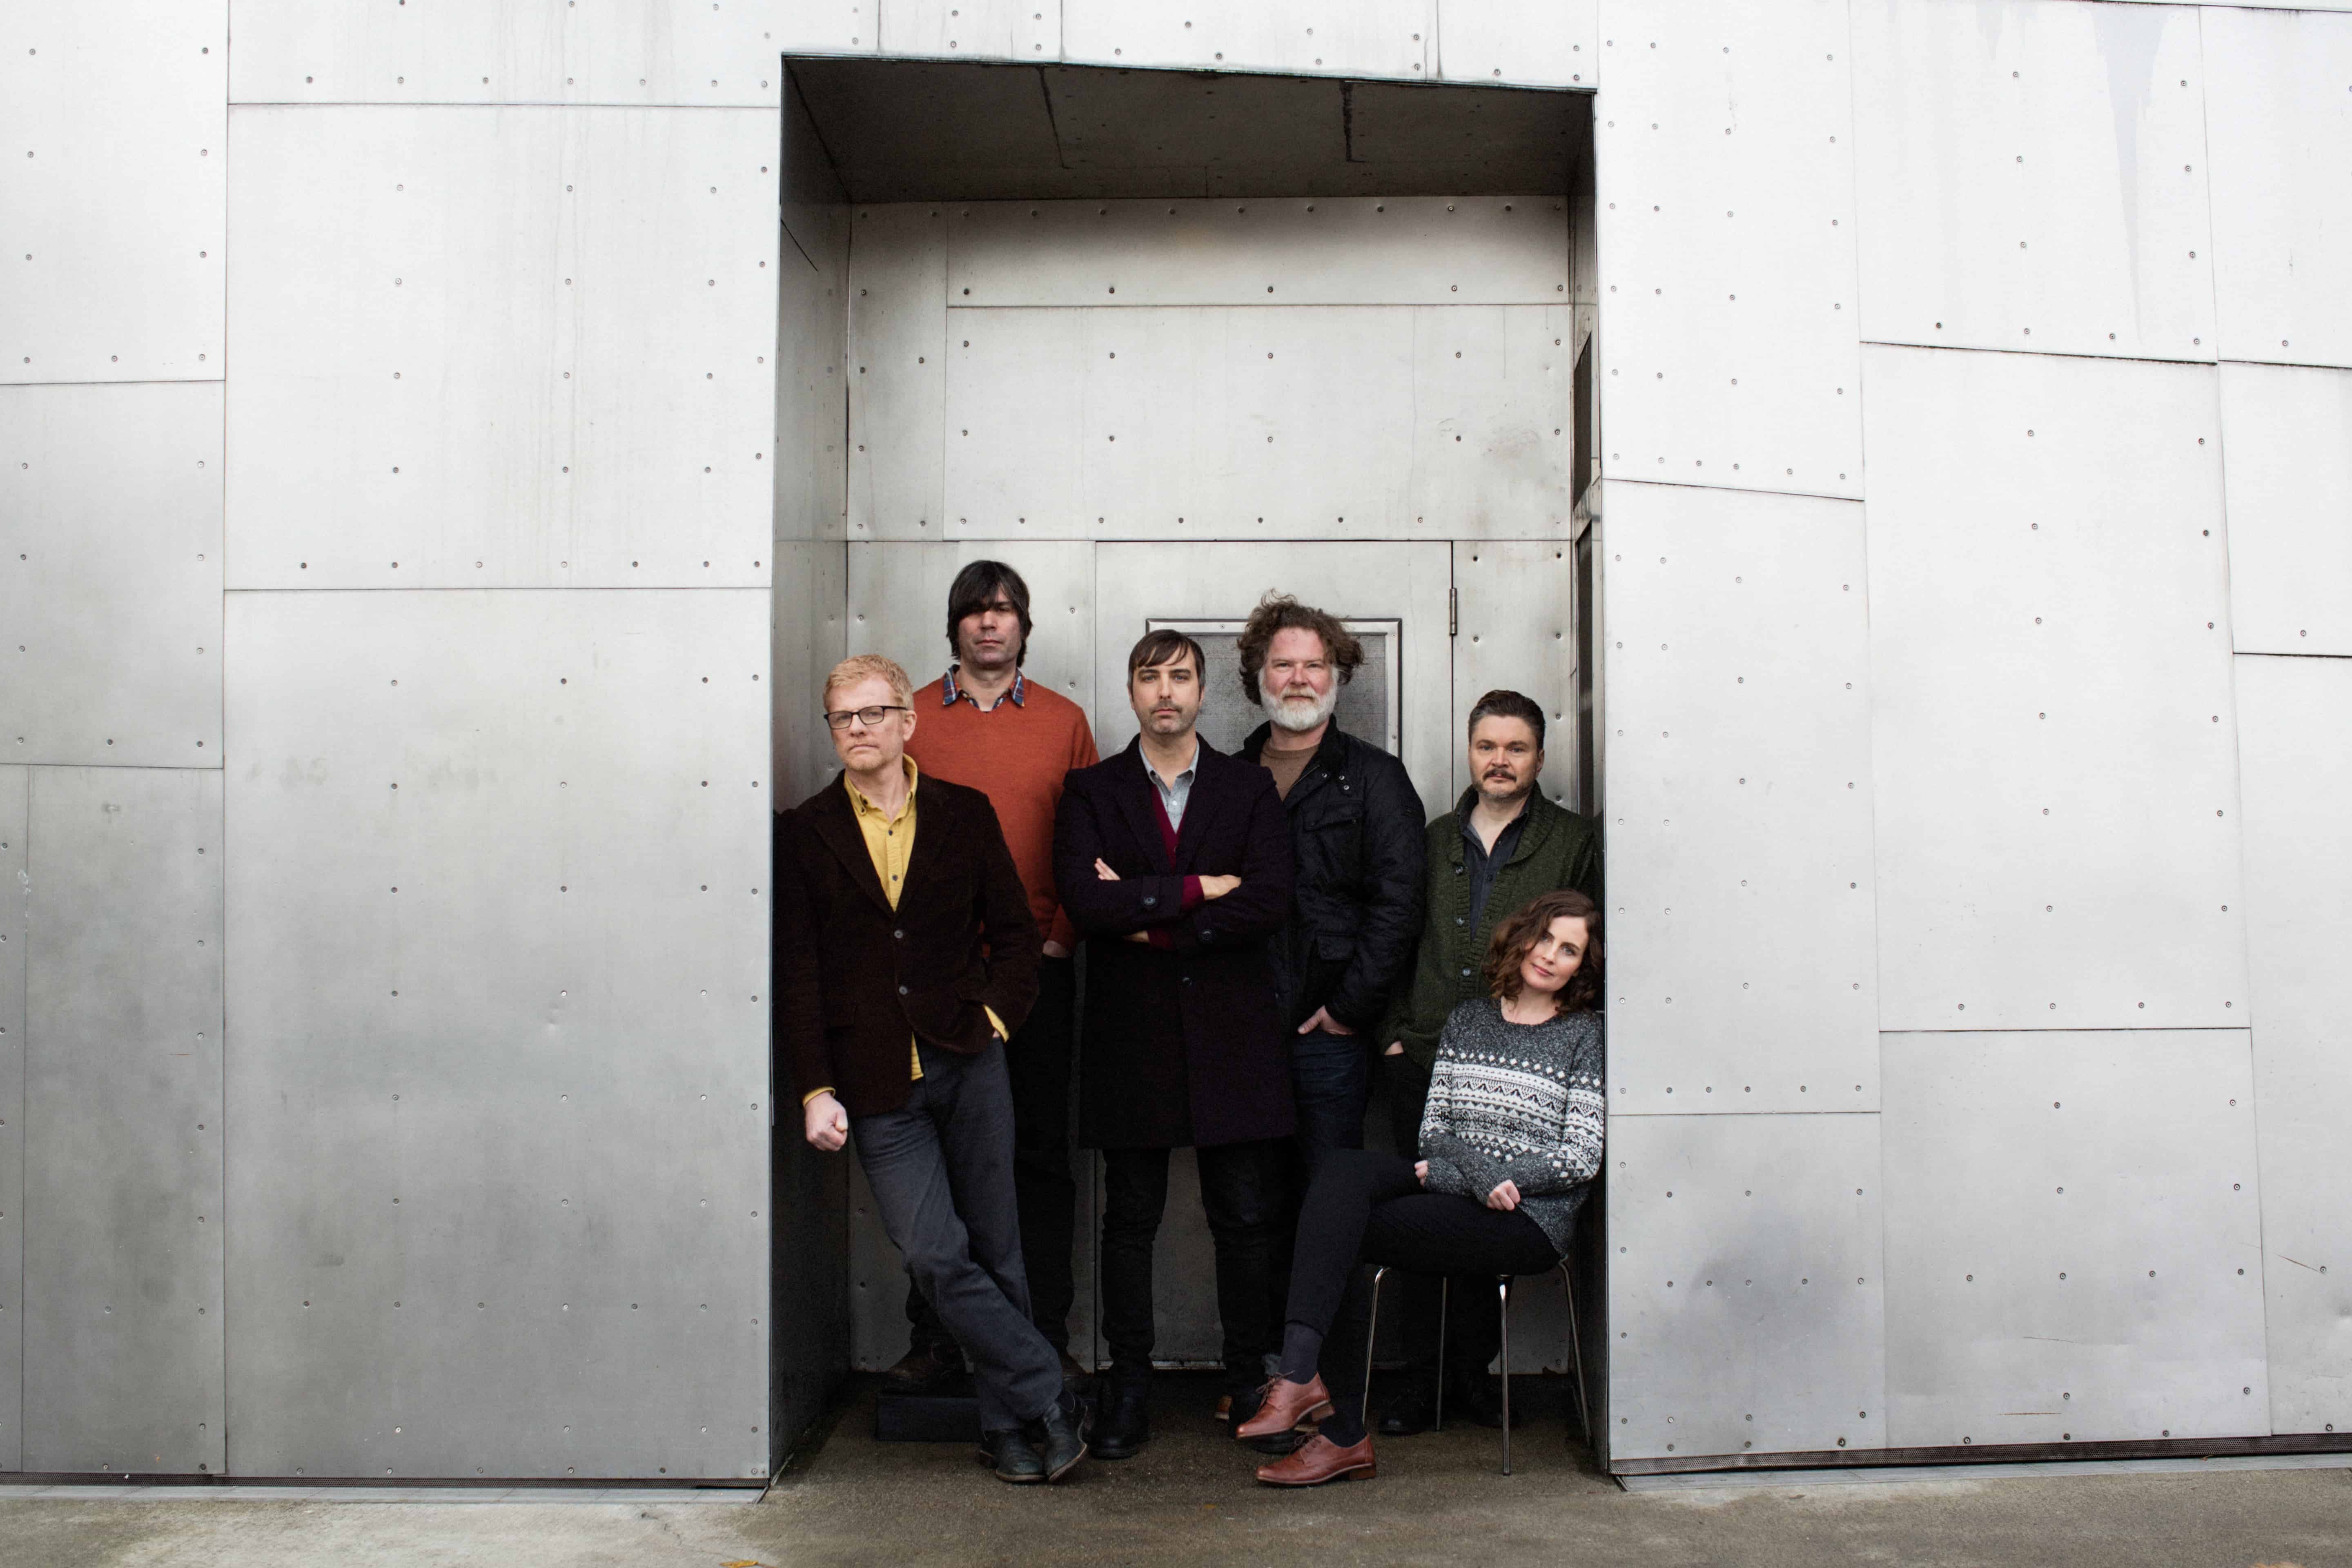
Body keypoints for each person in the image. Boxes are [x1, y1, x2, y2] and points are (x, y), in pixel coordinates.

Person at [777, 654, 1087, 1485]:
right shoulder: (806, 832)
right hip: (876, 1081)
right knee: (934, 1254)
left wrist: (995, 1018)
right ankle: (1048, 1392)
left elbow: (1016, 935)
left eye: (874, 713)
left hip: (968, 1059)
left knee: (999, 1250)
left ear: (908, 722)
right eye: (843, 717)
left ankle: (1009, 1430)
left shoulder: (963, 812)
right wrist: (815, 1088)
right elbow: (799, 973)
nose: (859, 729)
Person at [1240, 889, 1606, 1486]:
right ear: (1521, 938)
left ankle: (1334, 1426)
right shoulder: (1470, 1020)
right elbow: (1434, 1132)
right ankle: (1303, 1376)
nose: (1549, 955)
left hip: (1528, 1220)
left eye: (1569, 950)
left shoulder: (1585, 1035)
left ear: (1581, 968)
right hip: (1462, 1188)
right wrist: (1476, 1178)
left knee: (1343, 1230)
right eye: (1544, 938)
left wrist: (1479, 1179)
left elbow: (1581, 1156)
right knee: (1342, 1172)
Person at [1053, 630, 1296, 1458]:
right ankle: (1128, 1387)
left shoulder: (1248, 787)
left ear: (1202, 692)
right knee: (1130, 1220)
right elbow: (1087, 903)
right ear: (1131, 692)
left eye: (1181, 677)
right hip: (1133, 1038)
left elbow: (1268, 900)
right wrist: (1200, 889)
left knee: (1245, 1217)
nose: (1166, 691)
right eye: (1150, 677)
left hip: (1233, 1035)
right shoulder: (1091, 791)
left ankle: (1248, 1381)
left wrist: (1151, 919)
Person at [884, 561, 1099, 1396]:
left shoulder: (1063, 721)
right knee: (937, 1160)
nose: (989, 622)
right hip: (938, 981)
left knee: (1038, 1158)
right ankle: (938, 1341)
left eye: (1004, 610)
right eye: (974, 610)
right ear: (955, 626)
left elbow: (1089, 843)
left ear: (1024, 626)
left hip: (1035, 973)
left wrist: (1061, 937)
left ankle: (1043, 1338)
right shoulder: (911, 720)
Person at [1373, 687, 1603, 1434]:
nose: (1499, 761)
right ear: (1470, 752)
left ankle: (1470, 1378)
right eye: (1486, 747)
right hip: (1427, 1059)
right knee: (1428, 1220)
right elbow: (1396, 932)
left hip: (1525, 1072)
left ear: (1539, 757)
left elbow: (1590, 949)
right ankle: (1421, 1384)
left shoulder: (1572, 841)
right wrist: (1393, 1031)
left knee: (1487, 1219)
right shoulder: (1434, 837)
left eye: (1516, 748)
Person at [1235, 594, 1426, 1177]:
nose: (1299, 679)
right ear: (1259, 676)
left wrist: (1347, 1009)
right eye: (1283, 664)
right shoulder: (1229, 777)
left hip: (1331, 1034)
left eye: (1314, 665)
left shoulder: (1376, 778)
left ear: (1335, 677)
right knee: (1248, 1201)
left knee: (1328, 1194)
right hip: (1242, 1028)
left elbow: (1400, 903)